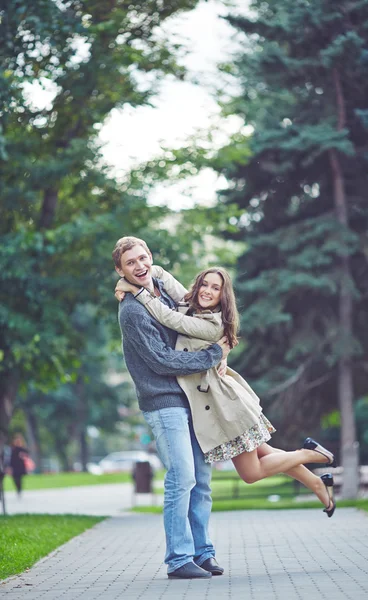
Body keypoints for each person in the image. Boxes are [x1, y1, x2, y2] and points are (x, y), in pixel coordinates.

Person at [116, 265, 337, 518]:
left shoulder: (210, 324)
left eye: (216, 288)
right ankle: (318, 483)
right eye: (205, 284)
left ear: (224, 296)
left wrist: (136, 290)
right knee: (267, 452)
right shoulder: (191, 305)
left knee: (251, 473)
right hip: (223, 400)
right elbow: (165, 277)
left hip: (225, 407)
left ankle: (308, 454)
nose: (208, 291)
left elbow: (167, 317)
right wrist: (134, 275)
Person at [112, 236, 232, 580]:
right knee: (183, 477)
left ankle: (203, 552)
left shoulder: (161, 291)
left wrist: (221, 345)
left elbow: (194, 313)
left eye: (143, 258)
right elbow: (162, 361)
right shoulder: (133, 311)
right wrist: (214, 354)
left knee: (202, 479)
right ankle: (178, 559)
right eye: (130, 263)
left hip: (191, 396)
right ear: (120, 271)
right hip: (164, 400)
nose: (140, 266)